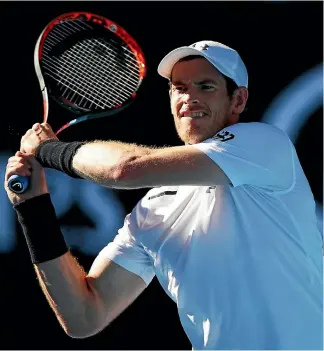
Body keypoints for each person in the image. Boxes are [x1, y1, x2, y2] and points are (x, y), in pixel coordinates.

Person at [4, 41, 323, 350]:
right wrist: (33, 210)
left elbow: (124, 169)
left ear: (238, 100)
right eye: (180, 87)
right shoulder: (155, 209)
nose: (190, 98)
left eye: (206, 86)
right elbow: (85, 316)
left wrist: (49, 150)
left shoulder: (265, 144)